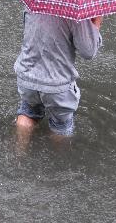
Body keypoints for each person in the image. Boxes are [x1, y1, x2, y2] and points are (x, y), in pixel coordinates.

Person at [13, 9, 103, 138]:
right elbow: (88, 52)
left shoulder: (33, 4)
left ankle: (19, 154)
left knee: (28, 112)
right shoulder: (75, 13)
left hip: (26, 77)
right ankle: (58, 157)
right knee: (61, 126)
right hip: (57, 83)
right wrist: (96, 23)